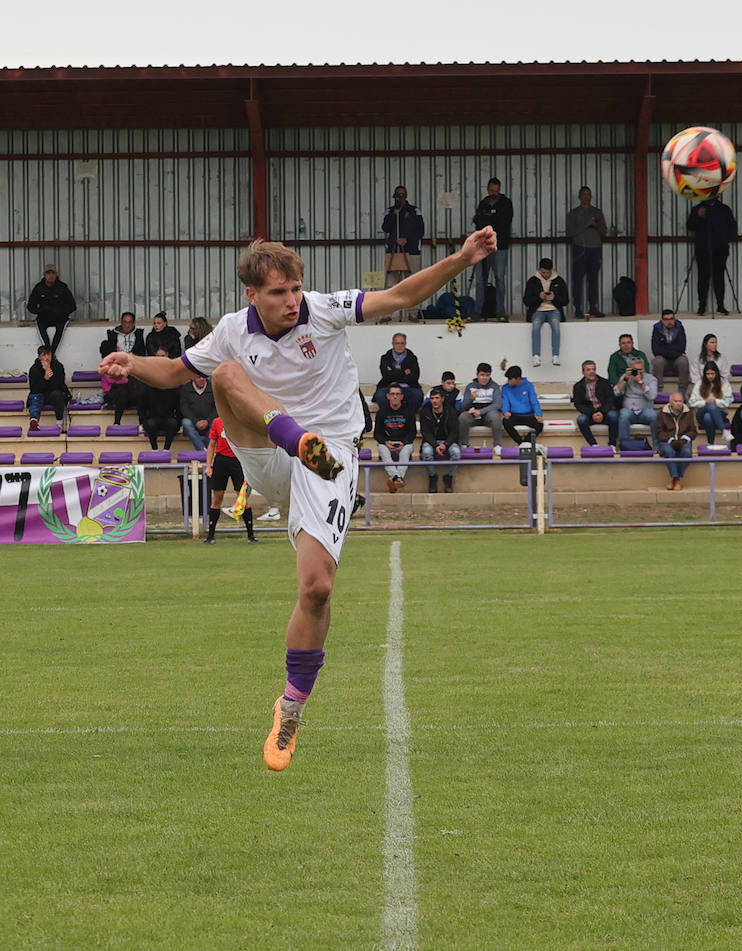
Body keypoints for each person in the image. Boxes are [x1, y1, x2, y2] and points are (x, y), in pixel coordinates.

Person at [99, 228, 497, 771]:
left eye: (295, 290)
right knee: (229, 373)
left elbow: (401, 296)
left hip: (328, 457)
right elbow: (172, 372)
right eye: (278, 293)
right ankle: (293, 436)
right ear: (251, 295)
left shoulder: (325, 309)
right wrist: (132, 363)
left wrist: (463, 257)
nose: (292, 301)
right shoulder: (232, 332)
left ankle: (290, 708)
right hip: (269, 447)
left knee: (316, 589)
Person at [203, 416, 258, 546]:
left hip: (238, 460)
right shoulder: (217, 422)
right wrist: (209, 465)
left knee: (242, 497)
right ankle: (210, 536)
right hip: (221, 460)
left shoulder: (240, 420)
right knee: (217, 498)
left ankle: (251, 535)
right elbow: (211, 445)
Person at [687, 195, 737, 315]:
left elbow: (732, 227)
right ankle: (702, 305)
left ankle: (720, 305)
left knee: (718, 277)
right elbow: (690, 226)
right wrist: (699, 216)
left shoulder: (724, 209)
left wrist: (725, 240)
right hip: (702, 248)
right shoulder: (698, 209)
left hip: (720, 248)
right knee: (703, 277)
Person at [472, 178, 513, 317]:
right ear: (487, 189)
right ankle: (479, 310)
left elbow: (504, 221)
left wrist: (489, 218)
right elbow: (478, 221)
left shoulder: (506, 203)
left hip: (500, 246)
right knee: (480, 279)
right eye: (491, 191)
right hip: (483, 246)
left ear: (499, 189)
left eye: (496, 191)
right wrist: (491, 217)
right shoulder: (483, 203)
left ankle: (500, 310)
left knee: (499, 278)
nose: (493, 193)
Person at [566, 186, 607, 318]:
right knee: (577, 279)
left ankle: (593, 307)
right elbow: (570, 232)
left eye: (588, 194)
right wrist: (586, 225)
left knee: (593, 279)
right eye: (583, 194)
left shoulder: (597, 212)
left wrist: (596, 225)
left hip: (595, 248)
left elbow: (604, 232)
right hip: (580, 248)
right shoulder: (573, 213)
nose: (586, 197)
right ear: (579, 197)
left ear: (591, 196)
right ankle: (578, 308)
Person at [523, 257, 568, 367]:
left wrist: (554, 298)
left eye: (548, 272)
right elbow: (526, 301)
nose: (546, 275)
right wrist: (539, 297)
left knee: (556, 327)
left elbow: (565, 300)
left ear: (552, 270)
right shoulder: (532, 281)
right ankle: (536, 356)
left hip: (554, 310)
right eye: (543, 272)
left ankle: (555, 355)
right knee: (536, 327)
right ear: (539, 270)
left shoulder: (559, 281)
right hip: (538, 310)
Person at [382, 185, 424, 300]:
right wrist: (394, 213)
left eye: (402, 196)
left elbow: (420, 230)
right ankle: (387, 314)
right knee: (391, 282)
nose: (399, 198)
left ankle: (413, 312)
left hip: (411, 250)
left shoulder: (414, 210)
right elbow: (385, 228)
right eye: (397, 196)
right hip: (394, 250)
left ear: (406, 196)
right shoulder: (390, 211)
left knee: (413, 282)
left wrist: (407, 239)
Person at [374, 384, 417, 492]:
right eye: (392, 394)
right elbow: (377, 434)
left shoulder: (409, 412)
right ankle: (398, 479)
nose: (395, 397)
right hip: (388, 443)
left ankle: (394, 480)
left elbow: (412, 432)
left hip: (405, 443)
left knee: (406, 451)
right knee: (381, 448)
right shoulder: (382, 412)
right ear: (388, 396)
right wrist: (386, 442)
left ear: (401, 396)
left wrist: (404, 443)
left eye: (397, 394)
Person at [27, 263, 78, 354]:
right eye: (48, 273)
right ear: (44, 274)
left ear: (56, 274)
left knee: (60, 331)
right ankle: (48, 352)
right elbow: (30, 306)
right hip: (43, 318)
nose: (50, 276)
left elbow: (72, 306)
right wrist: (41, 311)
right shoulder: (39, 288)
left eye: (53, 273)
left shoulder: (62, 287)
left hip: (60, 318)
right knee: (41, 330)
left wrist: (60, 311)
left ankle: (52, 355)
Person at [418, 387, 460, 493]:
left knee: (456, 453)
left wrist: (446, 444)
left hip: (448, 441)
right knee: (426, 452)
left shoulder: (451, 411)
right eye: (432, 398)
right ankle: (432, 477)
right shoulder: (425, 412)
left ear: (442, 399)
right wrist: (435, 445)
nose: (434, 401)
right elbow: (425, 433)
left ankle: (449, 477)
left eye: (437, 398)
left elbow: (454, 432)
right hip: (431, 441)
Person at [138, 348, 181, 450]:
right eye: (158, 356)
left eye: (162, 356)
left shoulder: (174, 374)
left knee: (173, 424)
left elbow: (179, 403)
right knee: (150, 424)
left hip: (169, 416)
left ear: (167, 355)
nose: (160, 359)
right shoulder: (149, 376)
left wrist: (178, 419)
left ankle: (166, 450)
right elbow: (141, 405)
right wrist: (143, 421)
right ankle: (155, 450)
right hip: (153, 417)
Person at [656, 391, 697, 490]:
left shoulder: (689, 413)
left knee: (687, 452)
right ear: (670, 402)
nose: (678, 403)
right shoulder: (662, 413)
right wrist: (671, 440)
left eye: (680, 401)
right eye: (675, 401)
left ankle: (675, 479)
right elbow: (659, 432)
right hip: (667, 440)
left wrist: (683, 439)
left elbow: (693, 431)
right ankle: (676, 479)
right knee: (668, 451)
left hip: (683, 439)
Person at [614, 357, 658, 449]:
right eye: (635, 370)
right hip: (629, 410)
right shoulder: (625, 377)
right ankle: (624, 446)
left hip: (646, 411)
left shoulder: (651, 379)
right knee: (623, 414)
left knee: (654, 415)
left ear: (644, 369)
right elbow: (616, 392)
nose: (638, 372)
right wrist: (625, 379)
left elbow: (652, 396)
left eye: (640, 370)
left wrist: (640, 381)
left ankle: (657, 446)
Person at [572, 360, 618, 446]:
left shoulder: (605, 383)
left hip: (605, 412)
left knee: (614, 416)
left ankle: (612, 444)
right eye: (588, 370)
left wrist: (602, 412)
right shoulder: (578, 386)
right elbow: (578, 404)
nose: (592, 372)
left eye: (593, 369)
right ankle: (594, 445)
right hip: (589, 414)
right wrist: (592, 413)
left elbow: (610, 400)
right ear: (583, 372)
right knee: (581, 420)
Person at [458, 362, 504, 448]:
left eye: (487, 375)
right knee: (463, 416)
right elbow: (463, 407)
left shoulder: (495, 387)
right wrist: (471, 399)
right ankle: (464, 445)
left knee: (496, 415)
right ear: (477, 375)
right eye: (482, 375)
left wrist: (481, 411)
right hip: (473, 414)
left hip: (488, 414)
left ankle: (497, 446)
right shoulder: (470, 386)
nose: (485, 378)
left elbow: (498, 404)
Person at [26, 345, 69, 432]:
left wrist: (50, 375)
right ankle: (34, 420)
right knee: (35, 397)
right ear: (39, 357)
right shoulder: (34, 369)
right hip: (40, 394)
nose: (47, 357)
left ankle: (59, 423)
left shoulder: (58, 367)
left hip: (54, 394)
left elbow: (60, 385)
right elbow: (34, 389)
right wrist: (45, 379)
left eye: (48, 354)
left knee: (56, 394)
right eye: (44, 355)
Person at [374, 333, 422, 410]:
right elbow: (386, 376)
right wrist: (403, 372)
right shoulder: (385, 358)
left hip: (407, 387)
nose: (400, 345)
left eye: (402, 343)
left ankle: (408, 416)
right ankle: (388, 415)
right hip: (388, 387)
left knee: (418, 395)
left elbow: (414, 377)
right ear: (393, 344)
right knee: (380, 395)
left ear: (405, 344)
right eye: (397, 343)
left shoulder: (412, 358)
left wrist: (393, 373)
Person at [688, 360, 732, 444]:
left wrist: (716, 401)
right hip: (701, 412)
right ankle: (724, 430)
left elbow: (728, 402)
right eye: (708, 374)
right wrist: (705, 402)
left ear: (717, 373)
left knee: (708, 417)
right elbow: (692, 402)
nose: (710, 376)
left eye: (712, 374)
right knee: (710, 406)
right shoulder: (699, 383)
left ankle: (711, 443)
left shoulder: (724, 383)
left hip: (720, 413)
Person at [501, 365, 544, 445]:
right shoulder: (505, 388)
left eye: (510, 379)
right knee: (505, 422)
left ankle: (525, 443)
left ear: (517, 378)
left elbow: (534, 401)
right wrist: (506, 412)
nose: (508, 381)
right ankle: (521, 443)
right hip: (514, 415)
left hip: (528, 415)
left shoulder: (528, 386)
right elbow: (505, 401)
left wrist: (539, 414)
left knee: (539, 425)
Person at [651, 309, 690, 393]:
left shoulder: (679, 327)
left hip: (677, 361)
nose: (669, 321)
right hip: (664, 361)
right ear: (662, 321)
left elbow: (682, 347)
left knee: (684, 361)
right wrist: (675, 351)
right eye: (666, 319)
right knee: (657, 361)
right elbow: (655, 349)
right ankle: (659, 391)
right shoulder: (657, 328)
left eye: (672, 319)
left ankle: (682, 392)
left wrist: (665, 349)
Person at [179, 372, 216, 450]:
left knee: (216, 422)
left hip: (209, 420)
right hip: (193, 421)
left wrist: (207, 421)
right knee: (185, 422)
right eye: (199, 377)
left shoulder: (213, 388)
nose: (202, 379)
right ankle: (203, 449)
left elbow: (217, 408)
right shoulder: (186, 388)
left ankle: (205, 448)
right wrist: (195, 421)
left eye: (204, 377)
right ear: (193, 378)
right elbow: (184, 408)